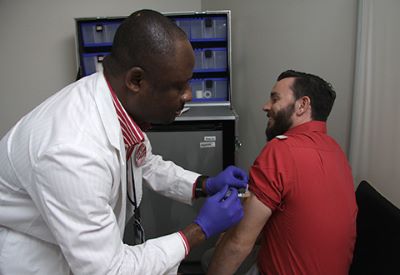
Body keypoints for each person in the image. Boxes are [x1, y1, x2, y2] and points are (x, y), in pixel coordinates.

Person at [0, 10, 248, 274]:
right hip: (38, 257)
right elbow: (109, 269)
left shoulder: (112, 100)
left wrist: (203, 184)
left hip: (74, 246)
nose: (189, 95)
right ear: (136, 80)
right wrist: (200, 230)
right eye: (178, 86)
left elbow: (145, 163)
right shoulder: (72, 151)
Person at [206, 70, 358, 275]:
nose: (265, 106)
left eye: (274, 98)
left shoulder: (280, 151)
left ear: (302, 105)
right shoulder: (336, 151)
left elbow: (238, 244)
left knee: (212, 257)